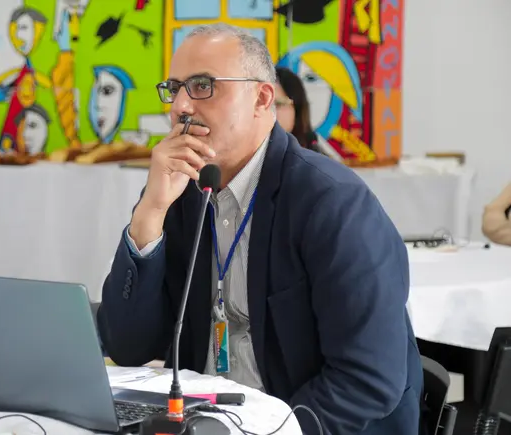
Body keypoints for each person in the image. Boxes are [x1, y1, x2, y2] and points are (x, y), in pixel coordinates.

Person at [97, 24, 421, 435]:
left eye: (202, 85)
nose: (180, 106)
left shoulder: (331, 201)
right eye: (174, 88)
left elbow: (368, 378)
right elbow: (128, 347)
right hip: (207, 421)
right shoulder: (179, 192)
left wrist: (267, 430)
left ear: (262, 98)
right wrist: (150, 213)